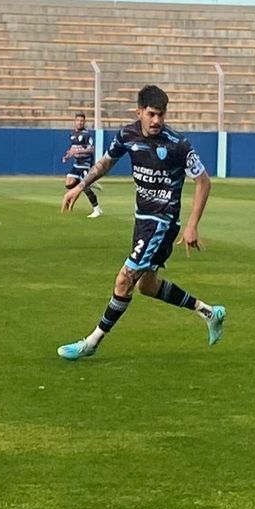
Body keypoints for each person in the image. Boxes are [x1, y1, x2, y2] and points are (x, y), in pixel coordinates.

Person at [56, 85, 225, 359]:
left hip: (162, 221)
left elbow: (203, 182)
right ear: (139, 112)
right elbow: (106, 162)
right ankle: (209, 312)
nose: (157, 120)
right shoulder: (127, 135)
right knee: (147, 286)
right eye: (151, 114)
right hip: (141, 220)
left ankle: (92, 342)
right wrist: (80, 186)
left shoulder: (177, 144)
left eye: (161, 115)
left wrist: (192, 224)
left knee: (124, 279)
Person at [63, 111, 103, 218]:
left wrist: (78, 152)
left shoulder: (87, 134)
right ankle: (90, 182)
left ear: (84, 122)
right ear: (75, 121)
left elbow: (92, 149)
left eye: (82, 121)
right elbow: (73, 148)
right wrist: (67, 156)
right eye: (78, 120)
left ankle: (97, 209)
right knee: (68, 183)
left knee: (85, 188)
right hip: (77, 164)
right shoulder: (72, 134)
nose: (80, 122)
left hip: (85, 164)